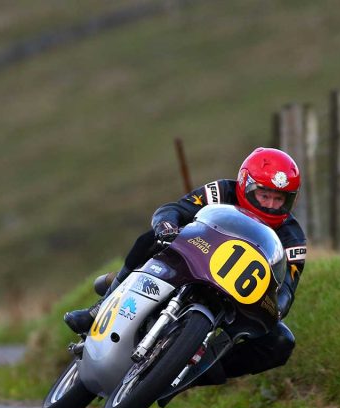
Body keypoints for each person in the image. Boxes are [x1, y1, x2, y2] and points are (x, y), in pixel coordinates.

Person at [64, 147, 307, 384]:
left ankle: (198, 372)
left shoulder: (292, 236)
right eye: (264, 195)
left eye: (279, 199)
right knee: (149, 239)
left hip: (238, 297)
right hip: (193, 260)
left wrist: (277, 307)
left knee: (281, 342)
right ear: (245, 184)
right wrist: (166, 226)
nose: (271, 205)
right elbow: (174, 209)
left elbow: (287, 288)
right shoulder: (222, 190)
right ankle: (101, 307)